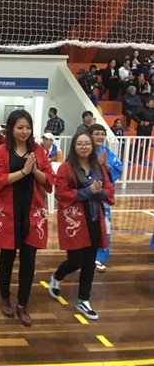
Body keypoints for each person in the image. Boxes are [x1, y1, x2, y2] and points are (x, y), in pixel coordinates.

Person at [0, 110, 55, 327]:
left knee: (29, 260)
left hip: (32, 212)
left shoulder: (39, 151)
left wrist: (34, 171)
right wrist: (24, 172)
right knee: (6, 258)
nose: (24, 132)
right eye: (20, 127)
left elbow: (49, 181)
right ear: (11, 129)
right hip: (8, 212)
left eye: (28, 127)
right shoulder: (0, 152)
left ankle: (23, 303)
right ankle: (4, 296)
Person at [49, 133, 115, 320]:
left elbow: (110, 190)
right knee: (76, 260)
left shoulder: (98, 168)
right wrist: (88, 191)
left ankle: (83, 299)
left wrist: (99, 191)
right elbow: (61, 193)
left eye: (87, 143)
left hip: (94, 218)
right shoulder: (66, 168)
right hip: (75, 222)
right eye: (80, 144)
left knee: (89, 262)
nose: (84, 147)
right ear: (74, 146)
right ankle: (57, 276)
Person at [87, 124, 122, 273]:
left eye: (102, 134)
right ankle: (83, 255)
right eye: (97, 134)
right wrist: (97, 164)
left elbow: (117, 169)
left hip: (101, 197)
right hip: (86, 194)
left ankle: (97, 257)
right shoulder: (83, 151)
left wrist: (105, 166)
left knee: (103, 226)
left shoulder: (107, 152)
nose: (100, 137)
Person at [131, 98, 154, 164]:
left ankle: (141, 159)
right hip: (141, 129)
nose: (152, 104)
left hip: (149, 129)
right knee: (138, 144)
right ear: (147, 103)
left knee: (146, 145)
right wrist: (140, 121)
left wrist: (150, 123)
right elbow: (133, 115)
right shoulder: (141, 109)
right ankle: (133, 158)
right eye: (151, 102)